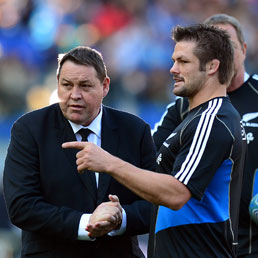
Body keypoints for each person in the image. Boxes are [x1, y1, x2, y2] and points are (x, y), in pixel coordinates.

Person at [62, 24, 246, 257]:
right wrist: (121, 212)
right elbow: (158, 186)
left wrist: (108, 163)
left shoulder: (212, 120)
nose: (173, 69)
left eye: (183, 61)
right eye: (173, 60)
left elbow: (176, 194)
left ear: (212, 66)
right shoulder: (193, 118)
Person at [3, 46, 157, 258]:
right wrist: (86, 223)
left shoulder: (134, 130)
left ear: (105, 86)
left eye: (85, 86)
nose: (74, 95)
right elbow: (22, 206)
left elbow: (155, 202)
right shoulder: (30, 129)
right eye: (66, 85)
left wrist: (120, 218)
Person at [152, 14, 258, 257]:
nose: (222, 56)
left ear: (242, 49)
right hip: (205, 239)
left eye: (228, 47)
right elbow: (150, 157)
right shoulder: (182, 107)